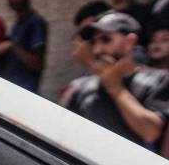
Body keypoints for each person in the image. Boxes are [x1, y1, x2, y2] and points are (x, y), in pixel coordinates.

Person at [65, 12, 169, 148]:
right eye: (94, 42)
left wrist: (115, 88)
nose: (97, 50)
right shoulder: (82, 87)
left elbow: (150, 132)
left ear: (130, 42)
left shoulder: (159, 80)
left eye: (106, 40)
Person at [60, 0, 112, 108]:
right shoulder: (88, 72)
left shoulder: (130, 56)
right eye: (84, 34)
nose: (84, 41)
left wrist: (91, 62)